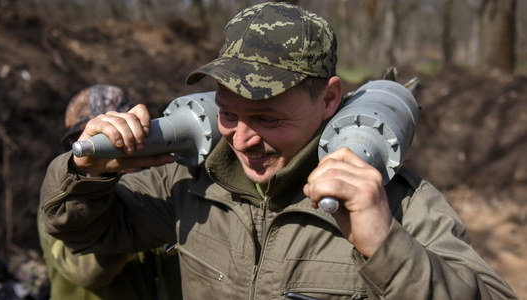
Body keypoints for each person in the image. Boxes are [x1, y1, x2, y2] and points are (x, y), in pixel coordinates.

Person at [40, 3, 518, 299]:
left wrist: (385, 246)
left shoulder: (398, 204)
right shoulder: (192, 181)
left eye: (268, 119)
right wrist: (86, 172)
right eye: (228, 113)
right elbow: (80, 235)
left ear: (329, 98)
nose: (243, 139)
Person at [37, 84, 182, 300]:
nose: (105, 152)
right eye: (92, 142)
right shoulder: (61, 205)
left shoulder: (160, 190)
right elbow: (86, 271)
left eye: (119, 140)